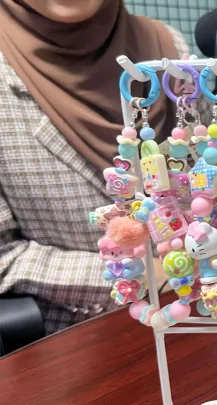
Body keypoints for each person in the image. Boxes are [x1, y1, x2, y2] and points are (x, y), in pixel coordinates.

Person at [0, 0, 190, 333]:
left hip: (204, 309)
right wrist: (145, 274)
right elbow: (5, 256)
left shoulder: (168, 47)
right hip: (74, 337)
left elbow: (212, 186)